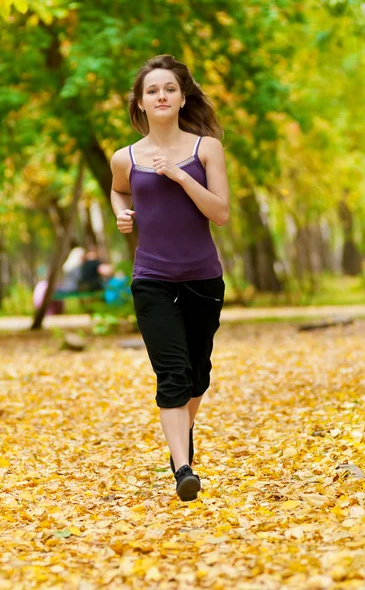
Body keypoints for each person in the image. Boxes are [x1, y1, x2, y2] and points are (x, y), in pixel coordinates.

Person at [110, 55, 230, 502]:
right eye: (152, 91)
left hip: (203, 277)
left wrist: (179, 176)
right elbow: (119, 187)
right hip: (152, 278)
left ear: (182, 99)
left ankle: (181, 435)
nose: (161, 96)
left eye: (169, 89)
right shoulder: (126, 157)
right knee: (173, 374)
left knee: (198, 374)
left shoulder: (206, 149)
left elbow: (220, 213)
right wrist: (122, 213)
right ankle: (182, 467)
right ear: (140, 104)